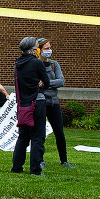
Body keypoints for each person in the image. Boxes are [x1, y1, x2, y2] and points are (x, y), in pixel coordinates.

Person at [12, 36, 51, 177]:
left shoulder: (17, 64)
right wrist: (40, 82)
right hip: (37, 102)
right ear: (33, 50)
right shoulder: (36, 63)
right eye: (37, 47)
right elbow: (46, 83)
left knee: (23, 137)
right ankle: (35, 169)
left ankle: (16, 167)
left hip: (23, 105)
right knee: (38, 137)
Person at [37, 37, 74, 169]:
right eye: (46, 48)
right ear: (39, 50)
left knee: (59, 132)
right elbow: (36, 85)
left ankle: (64, 160)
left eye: (50, 47)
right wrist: (44, 85)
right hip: (41, 102)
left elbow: (61, 81)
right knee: (40, 133)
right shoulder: (36, 65)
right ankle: (39, 160)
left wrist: (46, 83)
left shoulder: (54, 64)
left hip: (54, 103)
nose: (49, 51)